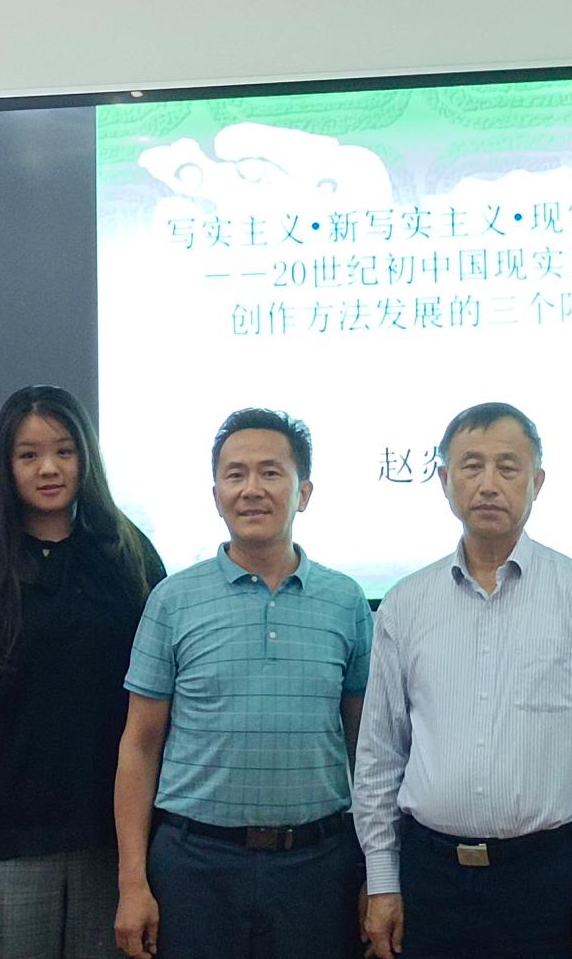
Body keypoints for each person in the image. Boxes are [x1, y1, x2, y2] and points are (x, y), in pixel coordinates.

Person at [354, 401, 572, 959]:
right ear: (444, 481)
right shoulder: (405, 604)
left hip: (547, 878)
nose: (488, 484)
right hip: (430, 877)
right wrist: (383, 879)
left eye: (508, 467)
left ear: (537, 482)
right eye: (471, 466)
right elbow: (380, 755)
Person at [112, 408, 373, 959]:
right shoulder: (172, 600)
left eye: (271, 472)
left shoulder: (346, 601)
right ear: (216, 495)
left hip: (317, 867)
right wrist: (132, 882)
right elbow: (139, 744)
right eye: (235, 474)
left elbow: (365, 746)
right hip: (195, 865)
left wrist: (378, 873)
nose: (252, 489)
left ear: (304, 493)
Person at [0, 385, 165, 958]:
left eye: (63, 451)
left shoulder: (130, 561)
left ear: (86, 458)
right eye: (28, 455)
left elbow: (161, 708)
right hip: (5, 845)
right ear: (6, 468)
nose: (48, 468)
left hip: (114, 841)